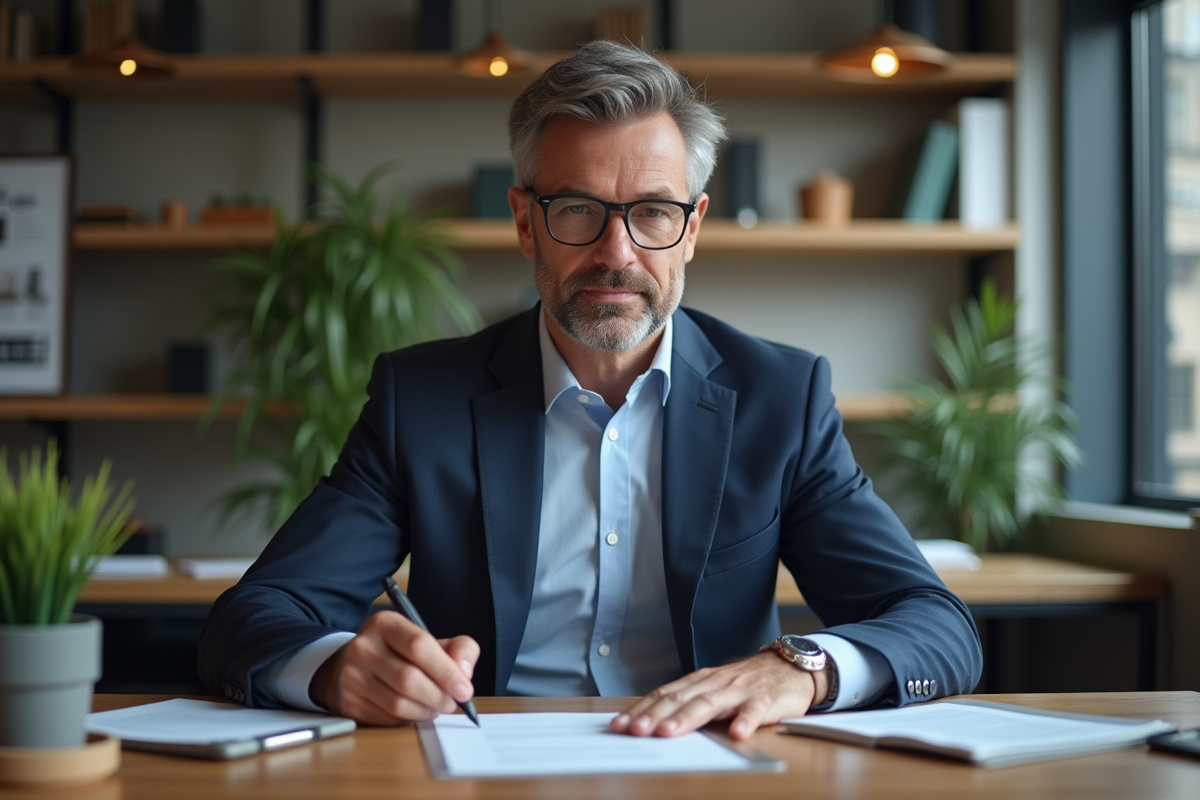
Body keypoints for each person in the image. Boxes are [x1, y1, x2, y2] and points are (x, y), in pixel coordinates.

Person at [198, 40, 982, 741]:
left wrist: (801, 669)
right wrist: (338, 669)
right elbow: (252, 620)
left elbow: (937, 627)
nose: (617, 253)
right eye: (577, 210)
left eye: (652, 213)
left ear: (695, 227)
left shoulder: (782, 398)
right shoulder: (421, 400)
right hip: (482, 761)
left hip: (711, 761)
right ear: (523, 222)